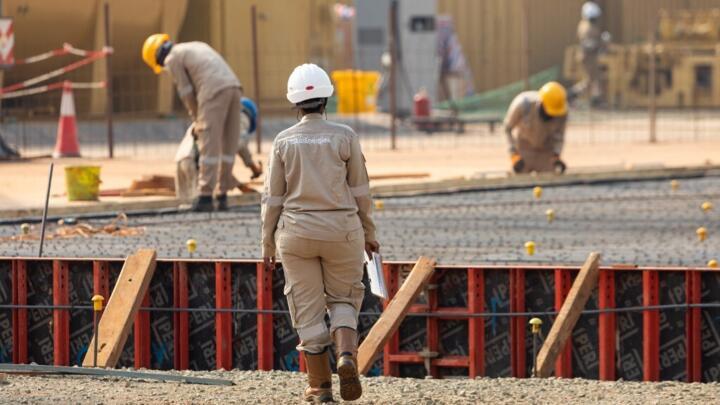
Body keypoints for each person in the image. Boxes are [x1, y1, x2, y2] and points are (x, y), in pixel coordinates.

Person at [261, 63, 379, 402]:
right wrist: (369, 232)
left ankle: (319, 388)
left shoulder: (283, 142)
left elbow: (272, 198)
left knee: (308, 309)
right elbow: (361, 192)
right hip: (342, 232)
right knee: (343, 299)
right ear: (327, 96)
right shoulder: (345, 136)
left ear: (294, 102)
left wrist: (267, 243)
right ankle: (346, 357)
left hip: (297, 235)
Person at [142, 33, 242, 212]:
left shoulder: (172, 58)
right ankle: (222, 195)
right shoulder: (195, 43)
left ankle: (205, 196)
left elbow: (186, 92)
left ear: (157, 58)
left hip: (213, 91)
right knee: (229, 145)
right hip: (234, 88)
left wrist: (198, 120)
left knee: (209, 146)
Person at [504, 82, 568, 174]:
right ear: (542, 102)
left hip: (546, 151)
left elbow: (559, 135)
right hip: (524, 149)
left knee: (549, 182)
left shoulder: (561, 110)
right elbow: (507, 129)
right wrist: (514, 154)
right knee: (520, 182)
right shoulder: (523, 104)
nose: (552, 115)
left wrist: (556, 155)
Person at [571, 1, 610, 105]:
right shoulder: (587, 27)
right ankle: (572, 94)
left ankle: (595, 99)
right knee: (591, 80)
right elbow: (589, 44)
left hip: (590, 57)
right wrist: (602, 42)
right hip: (588, 57)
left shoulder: (586, 25)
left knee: (594, 79)